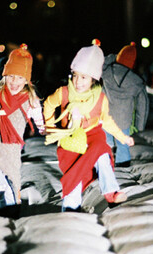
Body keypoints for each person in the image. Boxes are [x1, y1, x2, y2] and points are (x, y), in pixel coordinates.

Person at [43, 39, 134, 212]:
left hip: (93, 135)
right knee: (76, 172)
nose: (78, 81)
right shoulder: (64, 92)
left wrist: (123, 138)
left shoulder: (100, 98)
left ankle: (111, 193)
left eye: (83, 77)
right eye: (75, 75)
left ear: (93, 79)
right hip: (70, 138)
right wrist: (50, 127)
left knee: (102, 155)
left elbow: (107, 121)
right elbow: (48, 104)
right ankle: (71, 207)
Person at [0, 44, 45, 209]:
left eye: (19, 77)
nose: (14, 82)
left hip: (12, 144)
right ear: (4, 75)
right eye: (11, 76)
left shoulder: (30, 98)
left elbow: (39, 117)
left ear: (26, 79)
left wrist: (43, 128)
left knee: (11, 175)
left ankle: (10, 206)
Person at [102, 42, 149, 167]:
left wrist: (113, 57)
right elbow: (142, 104)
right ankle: (123, 164)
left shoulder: (106, 71)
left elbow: (102, 62)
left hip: (105, 115)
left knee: (105, 142)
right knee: (123, 144)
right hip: (124, 118)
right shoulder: (136, 81)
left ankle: (105, 163)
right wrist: (140, 125)